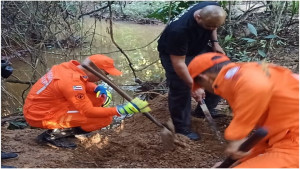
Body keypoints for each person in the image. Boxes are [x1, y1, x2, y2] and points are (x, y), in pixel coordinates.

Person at [188, 52, 299, 168]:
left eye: (203, 86)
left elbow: (257, 86)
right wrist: (238, 161)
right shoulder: (247, 72)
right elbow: (267, 135)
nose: (211, 91)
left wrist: (236, 137)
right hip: (284, 137)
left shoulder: (243, 79)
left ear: (205, 78)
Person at [23, 54, 151, 148]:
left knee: (96, 97)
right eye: (105, 74)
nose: (105, 78)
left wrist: (96, 88)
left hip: (42, 107)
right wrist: (119, 110)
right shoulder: (71, 82)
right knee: (105, 118)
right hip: (40, 115)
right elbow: (88, 110)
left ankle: (64, 130)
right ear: (97, 71)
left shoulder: (68, 67)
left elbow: (80, 83)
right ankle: (52, 135)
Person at [157, 1, 227, 140]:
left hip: (197, 47)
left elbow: (213, 24)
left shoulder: (211, 7)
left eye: (215, 26)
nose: (212, 28)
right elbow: (179, 64)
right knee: (181, 86)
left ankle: (203, 110)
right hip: (174, 54)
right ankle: (182, 128)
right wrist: (194, 85)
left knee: (222, 70)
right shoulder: (178, 31)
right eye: (209, 26)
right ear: (198, 18)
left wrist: (215, 42)